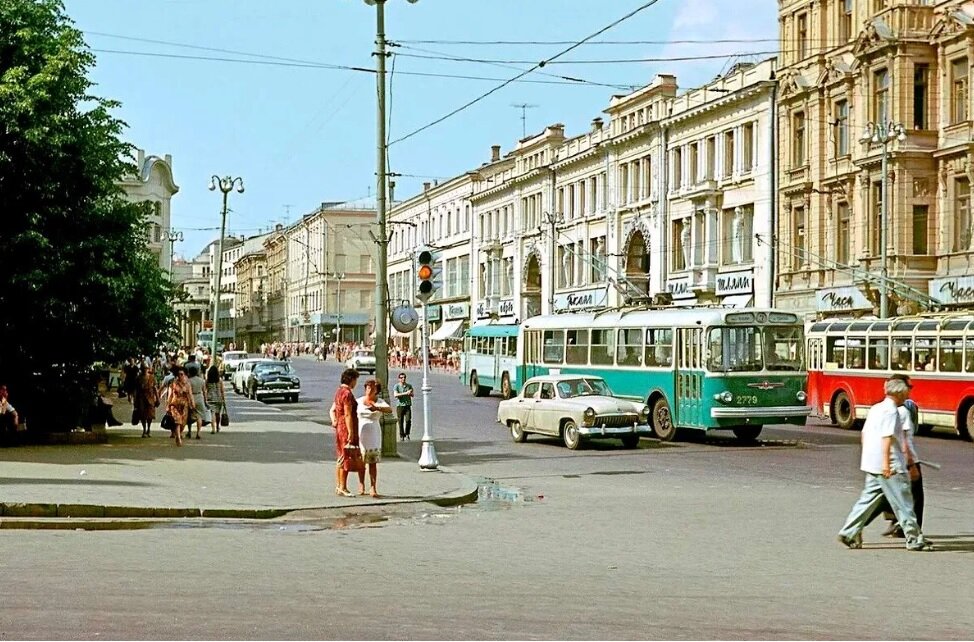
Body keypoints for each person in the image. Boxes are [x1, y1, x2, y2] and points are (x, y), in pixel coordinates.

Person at [837, 377, 932, 551]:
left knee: (867, 500)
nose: (907, 395)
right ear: (898, 392)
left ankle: (849, 531)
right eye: (905, 391)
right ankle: (914, 538)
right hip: (890, 463)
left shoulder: (875, 408)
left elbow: (865, 434)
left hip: (871, 463)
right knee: (903, 502)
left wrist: (871, 458)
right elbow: (887, 438)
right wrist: (887, 464)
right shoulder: (892, 411)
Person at [867, 373, 924, 538]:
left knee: (887, 494)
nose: (910, 391)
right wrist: (911, 463)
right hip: (903, 460)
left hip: (885, 460)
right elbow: (904, 440)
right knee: (912, 498)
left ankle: (894, 523)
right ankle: (911, 533)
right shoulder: (904, 411)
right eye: (909, 387)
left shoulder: (880, 408)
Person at [357, 379, 392, 497]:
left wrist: (377, 408)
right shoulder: (359, 401)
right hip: (361, 432)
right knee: (361, 462)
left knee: (372, 462)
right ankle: (361, 484)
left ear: (376, 391)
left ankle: (373, 487)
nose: (369, 390)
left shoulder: (379, 402)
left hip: (374, 433)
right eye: (367, 387)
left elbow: (389, 410)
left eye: (372, 388)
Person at [331, 368, 362, 497]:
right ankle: (343, 486)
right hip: (346, 427)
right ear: (351, 380)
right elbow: (348, 414)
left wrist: (334, 421)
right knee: (346, 456)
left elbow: (333, 409)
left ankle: (339, 486)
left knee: (341, 457)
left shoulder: (339, 391)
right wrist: (351, 432)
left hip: (339, 427)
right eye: (356, 380)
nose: (356, 383)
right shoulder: (347, 394)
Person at [166, 366, 195, 446]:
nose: (180, 376)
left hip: (184, 406)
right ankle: (178, 437)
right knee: (177, 421)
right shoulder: (173, 384)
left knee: (183, 423)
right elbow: (170, 395)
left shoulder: (188, 385)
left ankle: (179, 433)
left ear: (185, 375)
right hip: (174, 405)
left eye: (182, 374)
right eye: (179, 374)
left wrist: (192, 403)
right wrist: (167, 405)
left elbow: (190, 394)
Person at [133, 365, 159, 438]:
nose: (145, 370)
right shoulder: (138, 378)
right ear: (141, 370)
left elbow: (155, 388)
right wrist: (135, 400)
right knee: (142, 414)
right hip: (141, 398)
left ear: (148, 369)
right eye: (143, 369)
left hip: (150, 398)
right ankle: (144, 429)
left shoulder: (152, 378)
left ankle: (149, 429)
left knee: (150, 414)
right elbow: (135, 390)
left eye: (146, 369)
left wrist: (157, 398)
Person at [187, 364, 208, 440]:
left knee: (189, 416)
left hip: (191, 398)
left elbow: (187, 392)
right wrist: (205, 401)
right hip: (199, 397)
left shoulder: (188, 381)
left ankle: (189, 431)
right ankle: (198, 432)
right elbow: (204, 391)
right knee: (199, 416)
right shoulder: (202, 381)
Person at [204, 365, 226, 435]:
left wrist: (205, 398)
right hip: (218, 398)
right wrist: (223, 399)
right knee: (218, 413)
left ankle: (213, 428)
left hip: (210, 398)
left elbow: (205, 389)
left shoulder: (207, 380)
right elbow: (222, 390)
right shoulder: (220, 380)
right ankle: (217, 426)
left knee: (212, 413)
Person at [393, 372, 414, 441]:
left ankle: (407, 433)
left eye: (404, 377)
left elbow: (412, 395)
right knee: (400, 421)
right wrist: (406, 393)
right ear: (399, 379)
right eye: (401, 378)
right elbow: (395, 395)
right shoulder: (397, 386)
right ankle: (402, 435)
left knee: (408, 420)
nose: (403, 379)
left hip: (407, 405)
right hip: (400, 405)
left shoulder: (409, 386)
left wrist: (410, 393)